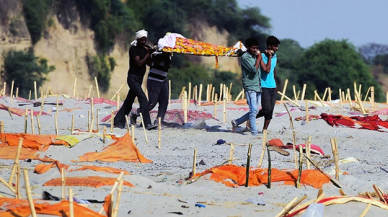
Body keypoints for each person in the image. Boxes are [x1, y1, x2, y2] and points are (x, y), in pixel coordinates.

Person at [113, 29, 157, 130]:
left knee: (129, 101)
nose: (143, 42)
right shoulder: (133, 49)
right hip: (132, 78)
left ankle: (118, 121)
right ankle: (147, 124)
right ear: (137, 39)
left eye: (145, 40)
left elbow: (149, 63)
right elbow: (139, 63)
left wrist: (150, 53)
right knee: (143, 99)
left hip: (139, 79)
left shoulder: (145, 49)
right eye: (141, 40)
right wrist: (147, 53)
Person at [231, 37, 272, 135]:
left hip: (257, 86)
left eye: (256, 48)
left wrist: (266, 56)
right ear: (248, 47)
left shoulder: (255, 56)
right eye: (253, 48)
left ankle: (236, 122)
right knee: (253, 110)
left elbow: (265, 69)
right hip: (250, 87)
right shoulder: (245, 57)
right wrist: (258, 59)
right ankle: (254, 132)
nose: (255, 50)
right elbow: (253, 70)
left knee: (255, 111)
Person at [131, 48, 172, 125]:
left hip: (163, 81)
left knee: (164, 102)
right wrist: (164, 54)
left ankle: (159, 121)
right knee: (152, 103)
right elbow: (156, 62)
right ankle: (136, 113)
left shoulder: (169, 56)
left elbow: (167, 66)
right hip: (154, 81)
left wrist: (167, 55)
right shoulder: (156, 53)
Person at [256, 36, 281, 131]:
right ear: (269, 46)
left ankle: (264, 130)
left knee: (270, 110)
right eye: (275, 46)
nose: (276, 48)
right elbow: (266, 70)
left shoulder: (275, 56)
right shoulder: (262, 56)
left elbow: (273, 70)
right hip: (263, 86)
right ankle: (251, 118)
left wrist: (275, 85)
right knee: (266, 109)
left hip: (272, 86)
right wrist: (269, 57)